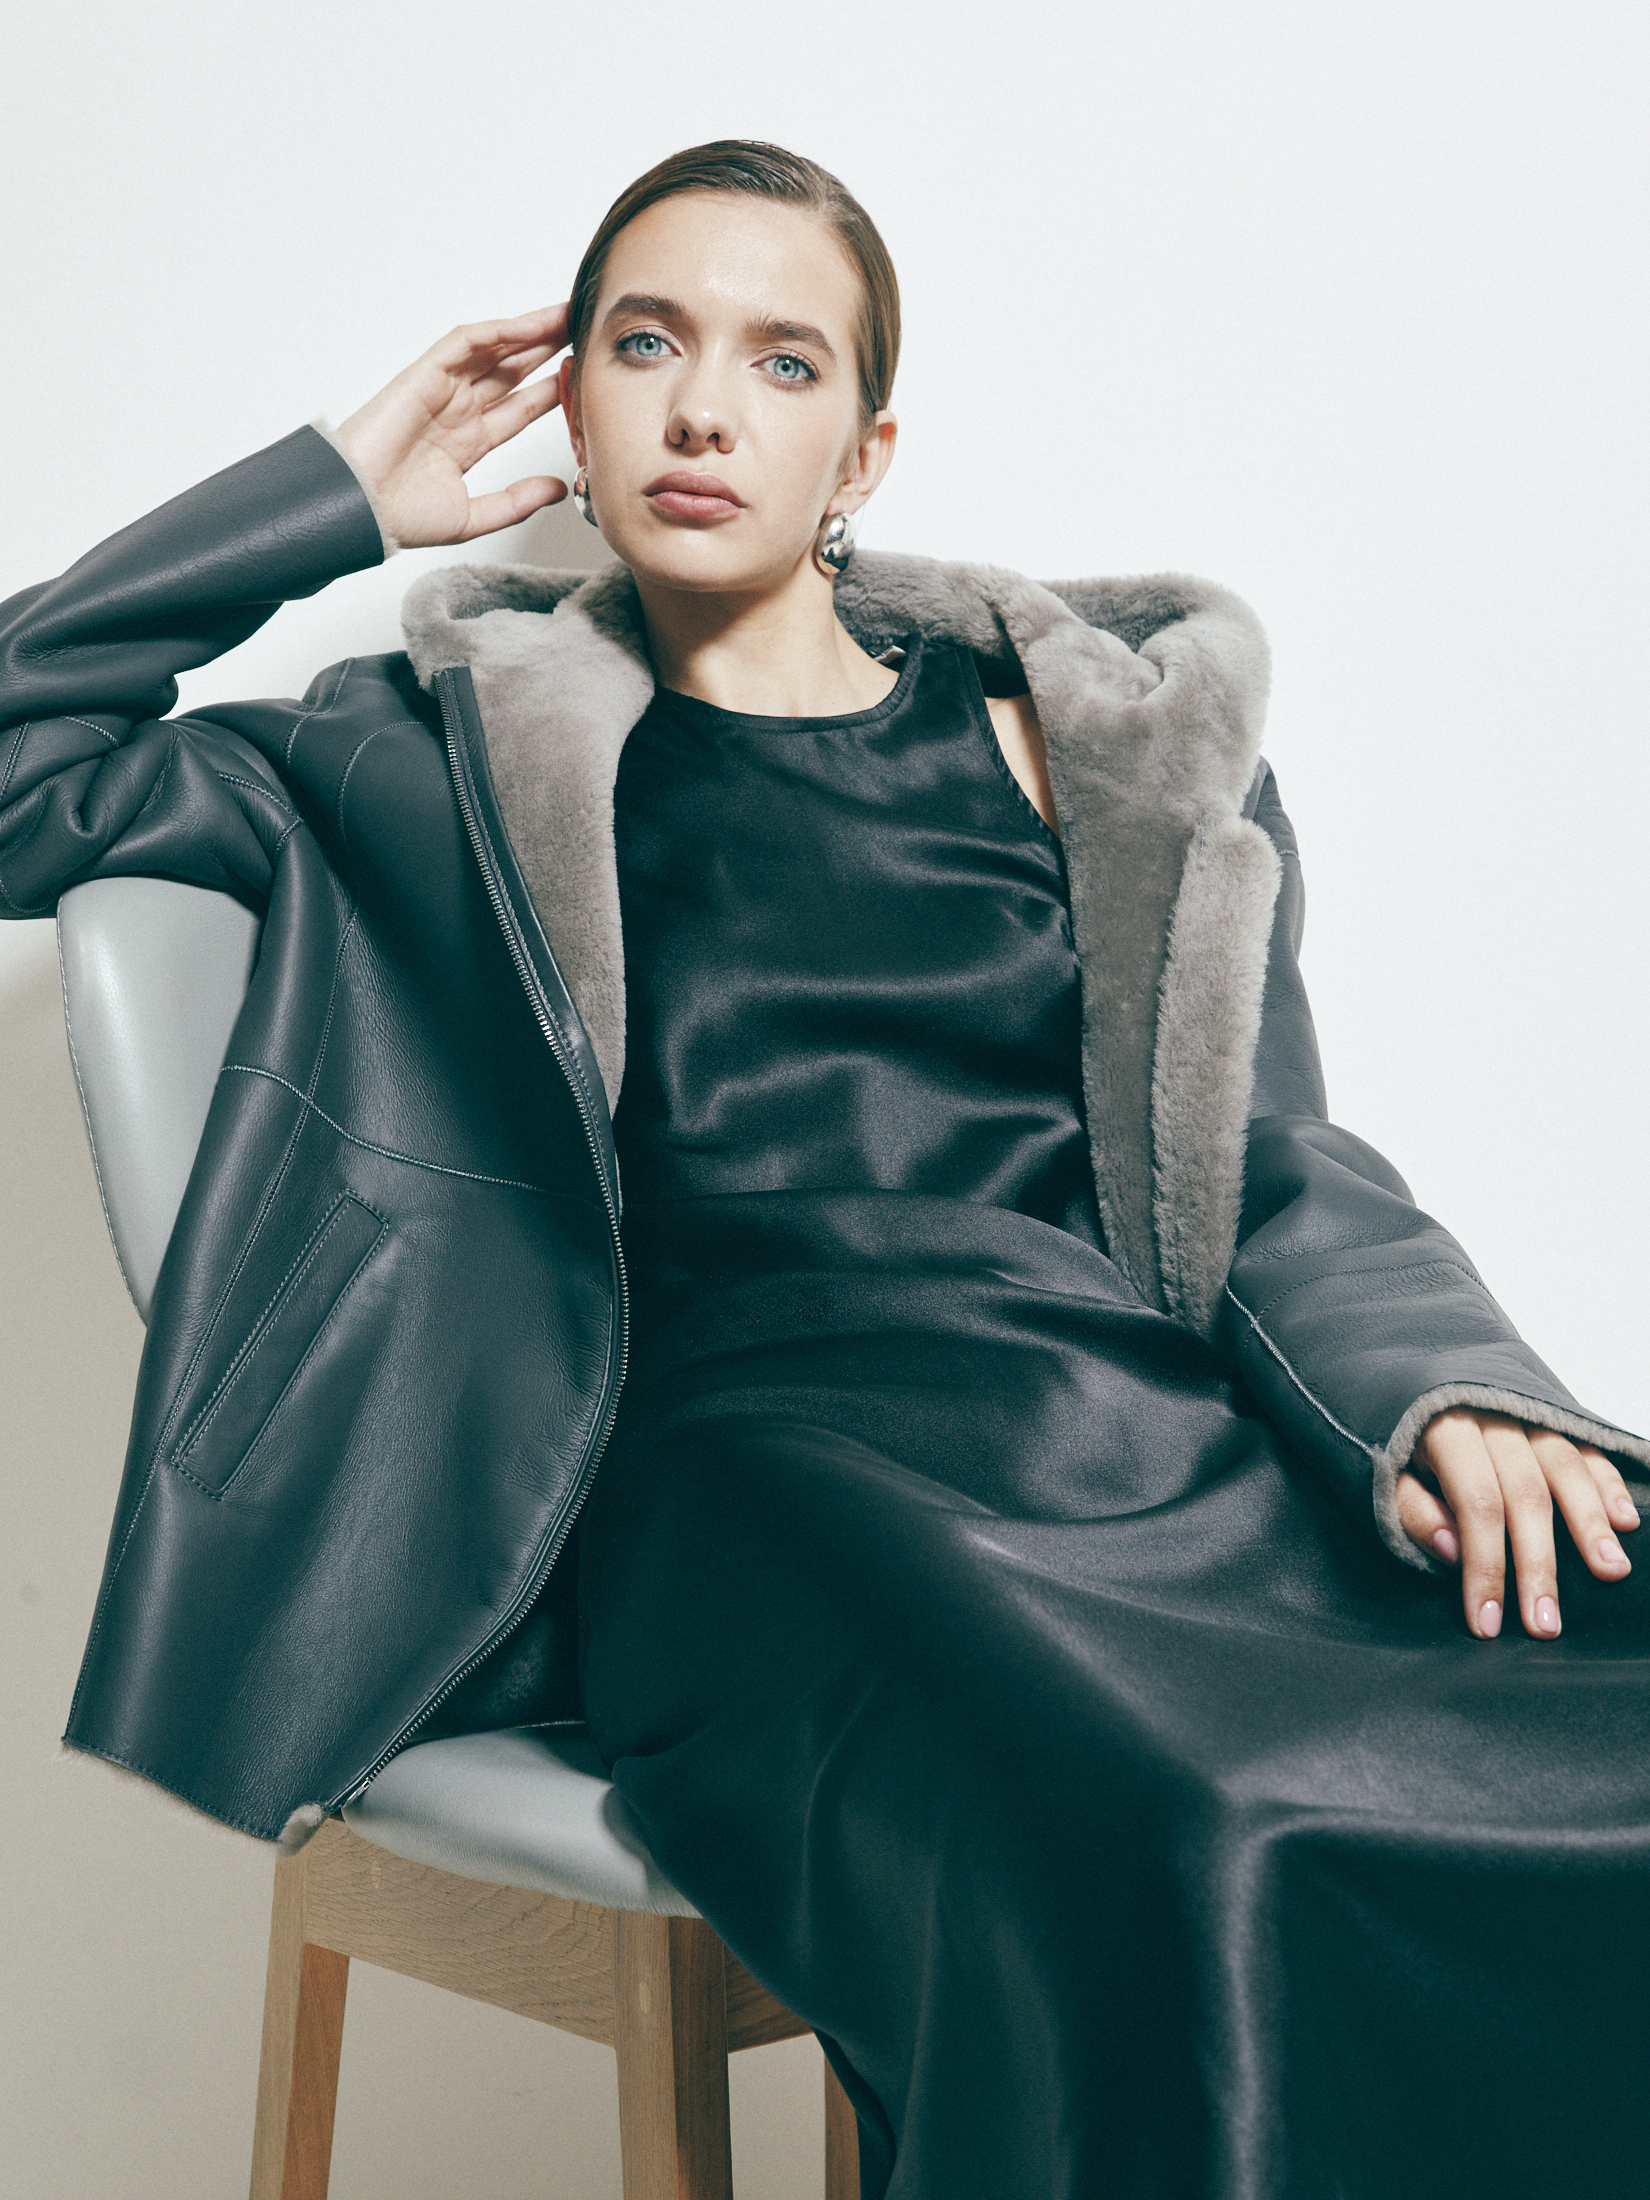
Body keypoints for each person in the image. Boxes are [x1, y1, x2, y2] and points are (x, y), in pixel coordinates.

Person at [3, 140, 1648, 2197]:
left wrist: (1449, 1387)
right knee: (1181, 1835)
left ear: (862, 450)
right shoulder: (417, 759)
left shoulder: (1091, 751)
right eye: (645, 344)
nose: (703, 408)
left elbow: (1261, 1159)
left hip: (1142, 1433)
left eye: (781, 362)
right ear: (572, 402)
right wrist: (329, 495)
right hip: (752, 1481)